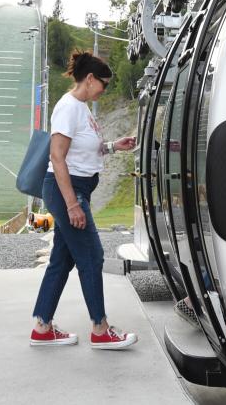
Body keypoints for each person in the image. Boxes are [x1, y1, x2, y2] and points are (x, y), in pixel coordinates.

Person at [29, 50, 138, 349]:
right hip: (68, 191)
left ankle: (42, 327)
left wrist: (114, 146)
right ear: (89, 79)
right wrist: (73, 205)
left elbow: (86, 149)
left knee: (61, 261)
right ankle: (100, 330)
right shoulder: (68, 107)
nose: (104, 90)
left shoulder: (83, 108)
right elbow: (57, 156)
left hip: (77, 189)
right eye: (103, 83)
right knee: (92, 256)